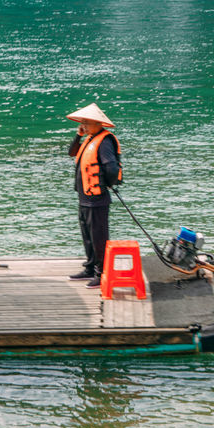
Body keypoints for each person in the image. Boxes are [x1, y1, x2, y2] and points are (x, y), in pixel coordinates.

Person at [67, 102, 122, 288]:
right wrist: (78, 135)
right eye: (82, 122)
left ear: (98, 123)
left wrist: (106, 183)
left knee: (99, 237)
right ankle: (90, 267)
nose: (84, 125)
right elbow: (71, 152)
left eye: (87, 122)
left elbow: (111, 167)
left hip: (97, 197)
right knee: (87, 235)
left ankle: (101, 272)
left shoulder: (105, 140)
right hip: (84, 197)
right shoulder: (89, 138)